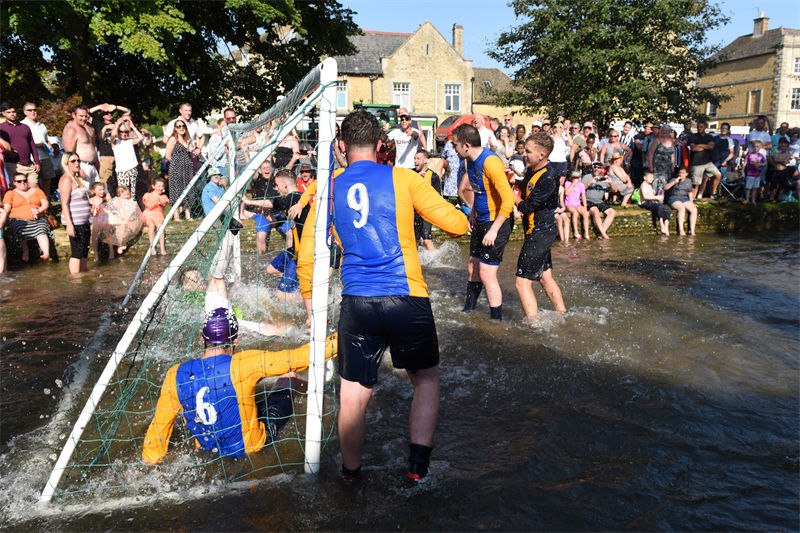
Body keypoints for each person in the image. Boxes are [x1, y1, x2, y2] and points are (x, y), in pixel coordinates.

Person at [331, 110, 468, 482]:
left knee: (353, 394)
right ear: (380, 145)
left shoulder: (331, 185)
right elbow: (457, 226)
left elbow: (328, 239)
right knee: (425, 380)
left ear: (342, 145)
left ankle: (351, 474)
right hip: (405, 295)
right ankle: (416, 472)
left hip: (356, 298)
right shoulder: (404, 178)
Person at [142, 274, 338, 464]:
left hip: (206, 451)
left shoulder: (175, 374)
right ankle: (320, 391)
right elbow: (298, 358)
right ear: (235, 340)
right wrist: (341, 338)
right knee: (289, 376)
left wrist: (150, 460)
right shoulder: (243, 363)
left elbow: (158, 430)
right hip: (251, 448)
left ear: (202, 339)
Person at [453, 123, 515, 320]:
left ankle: (496, 320)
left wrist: (494, 230)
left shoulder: (491, 163)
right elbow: (481, 192)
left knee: (487, 272)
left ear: (466, 145)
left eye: (455, 145)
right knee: (473, 266)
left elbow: (509, 200)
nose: (453, 149)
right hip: (480, 219)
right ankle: (468, 311)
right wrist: (473, 213)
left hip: (497, 222)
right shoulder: (469, 161)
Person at [514, 132, 567, 319]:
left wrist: (513, 197)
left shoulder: (548, 177)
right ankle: (562, 314)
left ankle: (533, 325)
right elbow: (526, 187)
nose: (524, 154)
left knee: (521, 282)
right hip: (539, 231)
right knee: (545, 277)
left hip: (540, 232)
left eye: (528, 151)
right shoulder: (532, 169)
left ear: (541, 154)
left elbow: (527, 206)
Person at [2, 172, 51, 262]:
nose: (23, 183)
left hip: (38, 218)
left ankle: (46, 253)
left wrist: (39, 210)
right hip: (18, 219)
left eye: (24, 180)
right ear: (14, 183)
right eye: (19, 181)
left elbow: (45, 204)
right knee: (20, 227)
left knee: (41, 229)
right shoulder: (10, 193)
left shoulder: (37, 190)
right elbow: (6, 209)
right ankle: (25, 251)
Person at [58, 152, 92, 274]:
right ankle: (75, 279)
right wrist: (69, 224)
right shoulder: (66, 180)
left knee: (84, 251)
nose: (77, 163)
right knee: (77, 252)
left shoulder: (77, 178)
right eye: (73, 161)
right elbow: (64, 204)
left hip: (84, 221)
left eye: (78, 160)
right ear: (66, 163)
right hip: (74, 221)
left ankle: (83, 274)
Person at [0, 102, 40, 186]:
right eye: (9, 112)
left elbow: (32, 145)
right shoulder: (1, 128)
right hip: (13, 165)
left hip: (30, 165)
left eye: (14, 111)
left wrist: (37, 162)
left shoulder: (25, 127)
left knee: (34, 188)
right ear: (3, 113)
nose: (12, 114)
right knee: (18, 190)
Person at [20, 102, 55, 195]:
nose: (33, 112)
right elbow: (22, 143)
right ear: (24, 112)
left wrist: (50, 145)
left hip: (45, 156)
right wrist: (37, 145)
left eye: (35, 110)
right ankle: (37, 201)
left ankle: (46, 200)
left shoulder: (41, 125)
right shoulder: (22, 125)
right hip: (32, 159)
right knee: (34, 182)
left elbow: (46, 139)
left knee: (47, 180)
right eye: (30, 110)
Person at [62, 105, 100, 185]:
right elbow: (69, 153)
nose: (84, 118)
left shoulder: (90, 128)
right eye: (81, 116)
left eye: (85, 116)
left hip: (93, 166)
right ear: (74, 115)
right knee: (84, 192)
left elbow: (94, 146)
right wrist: (78, 169)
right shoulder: (71, 130)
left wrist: (97, 162)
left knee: (97, 191)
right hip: (82, 166)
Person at [413, 149, 442, 251]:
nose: (415, 161)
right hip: (413, 212)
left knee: (426, 239)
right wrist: (416, 177)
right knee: (414, 239)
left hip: (427, 212)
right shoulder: (410, 173)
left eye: (418, 159)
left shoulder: (433, 176)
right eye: (414, 158)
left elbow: (438, 196)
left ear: (426, 160)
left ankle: (435, 259)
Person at [165, 119, 195, 221]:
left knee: (188, 190)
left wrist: (190, 145)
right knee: (176, 191)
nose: (181, 128)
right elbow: (167, 156)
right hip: (176, 169)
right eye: (178, 126)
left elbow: (191, 153)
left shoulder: (187, 139)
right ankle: (176, 216)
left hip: (187, 169)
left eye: (183, 126)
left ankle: (188, 215)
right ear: (175, 128)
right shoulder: (173, 139)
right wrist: (177, 163)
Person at [109, 115, 143, 198]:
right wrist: (117, 124)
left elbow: (141, 138)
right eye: (121, 132)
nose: (123, 134)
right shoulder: (115, 142)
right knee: (123, 194)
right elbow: (112, 135)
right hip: (121, 171)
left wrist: (133, 127)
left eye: (126, 132)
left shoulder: (130, 141)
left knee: (133, 195)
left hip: (132, 169)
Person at [687, 119, 721, 200]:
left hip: (707, 162)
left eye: (701, 127)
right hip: (696, 163)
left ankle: (712, 193)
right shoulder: (693, 136)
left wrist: (700, 145)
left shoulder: (709, 137)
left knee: (718, 175)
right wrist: (705, 146)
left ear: (705, 127)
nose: (699, 128)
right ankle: (692, 200)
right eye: (698, 127)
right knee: (696, 184)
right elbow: (694, 149)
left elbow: (711, 147)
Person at [582, 164, 616, 239]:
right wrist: (590, 182)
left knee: (612, 212)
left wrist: (611, 183)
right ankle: (605, 236)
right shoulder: (587, 177)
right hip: (588, 200)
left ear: (602, 169)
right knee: (595, 211)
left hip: (600, 201)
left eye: (599, 167)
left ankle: (601, 234)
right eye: (595, 167)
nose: (596, 169)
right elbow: (580, 188)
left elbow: (615, 190)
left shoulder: (604, 179)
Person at [664, 167, 697, 235]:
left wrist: (691, 202)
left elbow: (690, 192)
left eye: (683, 173)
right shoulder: (673, 179)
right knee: (681, 208)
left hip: (684, 198)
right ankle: (681, 230)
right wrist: (674, 182)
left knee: (694, 209)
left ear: (686, 174)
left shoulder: (688, 181)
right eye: (680, 173)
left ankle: (692, 231)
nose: (681, 174)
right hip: (674, 198)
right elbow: (665, 188)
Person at [142, 177, 170, 256]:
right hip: (149, 215)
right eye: (159, 186)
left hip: (158, 215)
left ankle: (162, 248)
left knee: (160, 226)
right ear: (153, 186)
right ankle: (152, 247)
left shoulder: (163, 197)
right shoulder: (148, 195)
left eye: (162, 186)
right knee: (151, 226)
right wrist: (155, 203)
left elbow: (165, 203)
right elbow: (148, 205)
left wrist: (161, 203)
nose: (161, 188)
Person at [639, 170, 671, 236]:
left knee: (667, 208)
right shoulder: (643, 185)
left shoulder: (650, 185)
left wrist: (659, 198)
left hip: (653, 202)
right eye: (650, 177)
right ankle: (661, 224)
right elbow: (645, 197)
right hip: (646, 203)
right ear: (645, 178)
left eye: (652, 177)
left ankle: (666, 225)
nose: (652, 179)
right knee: (659, 207)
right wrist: (657, 197)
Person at [647, 125, 676, 193]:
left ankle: (664, 196)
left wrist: (673, 165)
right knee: (659, 182)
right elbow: (650, 153)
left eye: (666, 131)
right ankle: (658, 196)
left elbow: (672, 154)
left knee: (667, 181)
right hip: (658, 166)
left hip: (668, 166)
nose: (664, 132)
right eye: (663, 131)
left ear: (669, 132)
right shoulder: (657, 140)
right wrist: (651, 166)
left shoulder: (672, 141)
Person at [563, 171, 590, 239]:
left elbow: (583, 196)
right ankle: (576, 232)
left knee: (586, 213)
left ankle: (586, 233)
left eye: (577, 178)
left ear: (579, 178)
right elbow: (566, 193)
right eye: (574, 177)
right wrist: (573, 184)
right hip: (569, 204)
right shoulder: (567, 183)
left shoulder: (581, 185)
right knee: (575, 212)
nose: (575, 179)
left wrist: (585, 207)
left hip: (577, 204)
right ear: (571, 178)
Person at [743, 140, 766, 204]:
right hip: (750, 174)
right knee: (748, 188)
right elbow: (745, 163)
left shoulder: (761, 155)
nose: (756, 148)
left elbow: (765, 163)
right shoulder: (749, 155)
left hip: (757, 174)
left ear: (760, 147)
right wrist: (742, 171)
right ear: (752, 147)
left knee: (755, 188)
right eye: (754, 146)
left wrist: (760, 164)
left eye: (757, 146)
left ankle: (753, 200)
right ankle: (747, 199)